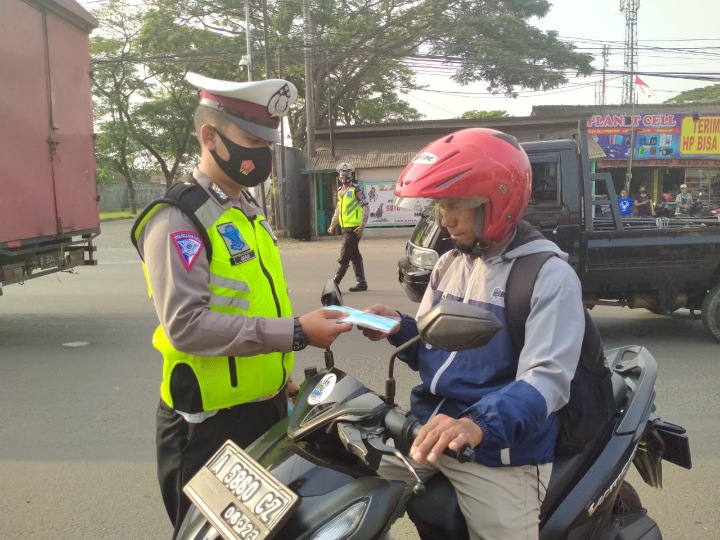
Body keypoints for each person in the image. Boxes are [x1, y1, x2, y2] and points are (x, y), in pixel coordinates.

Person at [130, 72, 352, 537]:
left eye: (268, 142)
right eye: (251, 138)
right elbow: (186, 326)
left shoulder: (245, 212)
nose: (263, 153)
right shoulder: (179, 219)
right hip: (208, 428)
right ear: (210, 137)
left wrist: (278, 378)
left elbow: (252, 304)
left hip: (264, 410)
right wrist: (296, 332)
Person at [360, 128, 585, 540]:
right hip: (431, 428)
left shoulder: (548, 276)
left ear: (498, 200)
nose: (445, 219)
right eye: (441, 206)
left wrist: (476, 424)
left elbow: (547, 379)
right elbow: (440, 346)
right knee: (351, 492)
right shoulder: (450, 263)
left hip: (499, 451)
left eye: (456, 205)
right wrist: (400, 328)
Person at [327, 162, 370, 292]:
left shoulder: (356, 190)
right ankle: (362, 283)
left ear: (351, 176)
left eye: (347, 175)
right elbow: (338, 210)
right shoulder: (340, 192)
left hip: (354, 228)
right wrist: (332, 225)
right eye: (342, 175)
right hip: (345, 228)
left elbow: (366, 207)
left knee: (344, 255)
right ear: (339, 177)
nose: (344, 177)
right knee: (354, 255)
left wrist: (362, 225)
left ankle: (334, 285)